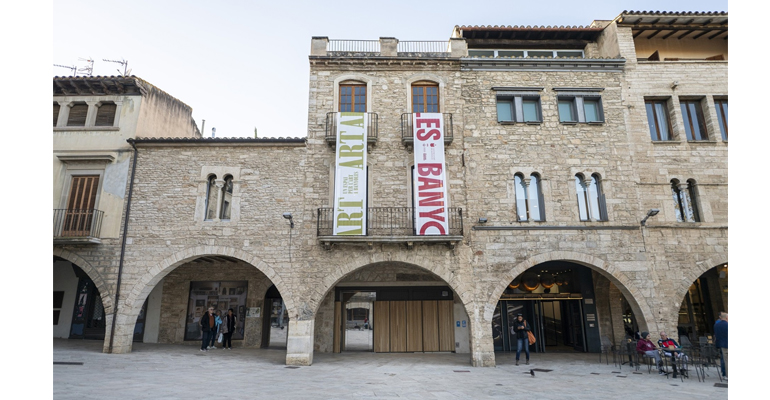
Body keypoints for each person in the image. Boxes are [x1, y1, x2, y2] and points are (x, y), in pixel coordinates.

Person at [714, 312, 728, 380]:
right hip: (726, 344)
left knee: (725, 360)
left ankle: (725, 374)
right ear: (726, 318)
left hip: (722, 344)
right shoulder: (727, 325)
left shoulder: (716, 325)